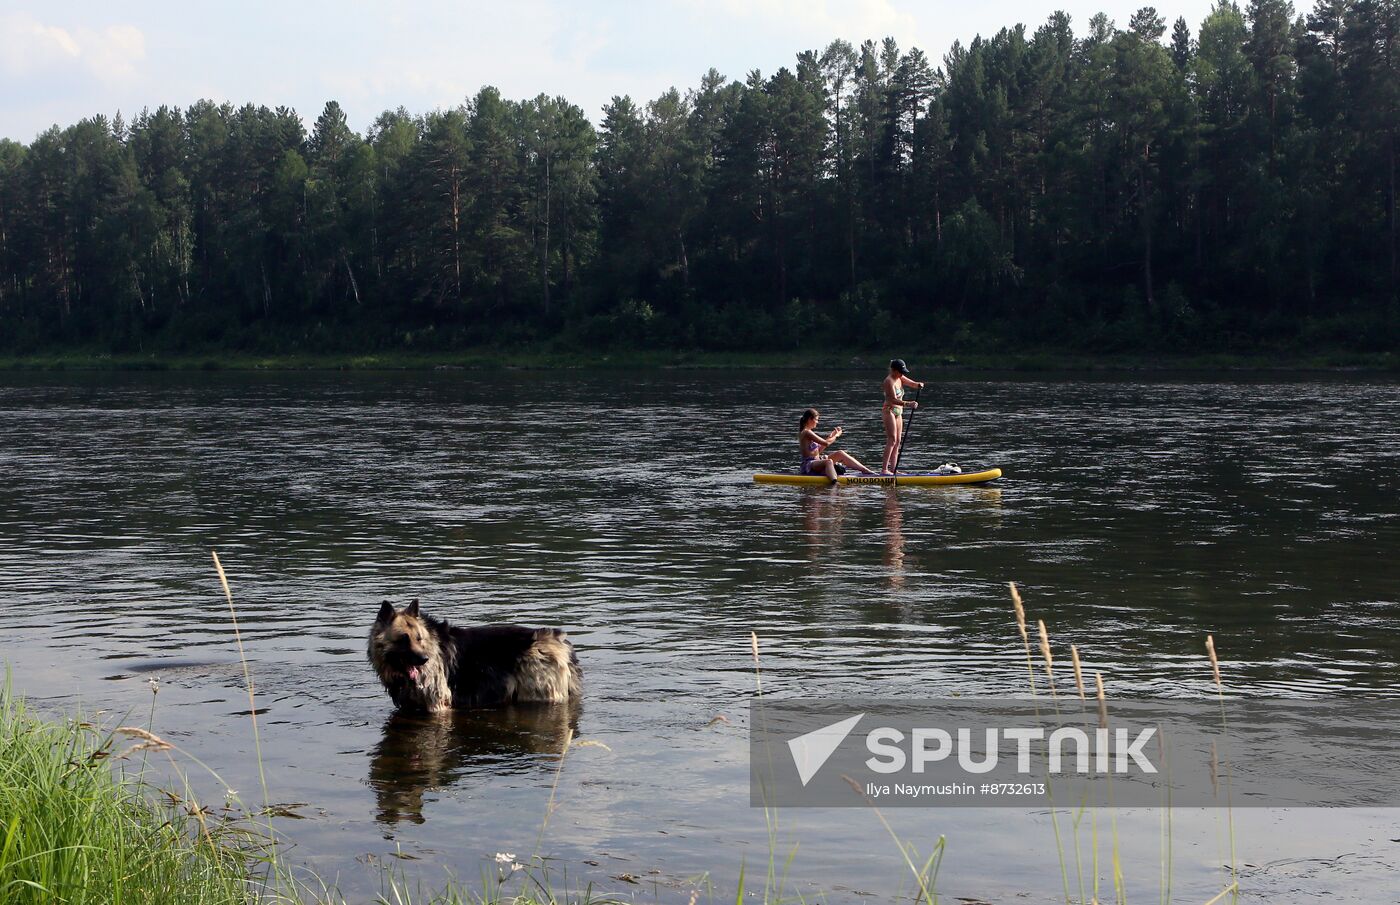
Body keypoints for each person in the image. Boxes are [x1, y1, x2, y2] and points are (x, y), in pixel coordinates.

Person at [797, 408, 876, 481]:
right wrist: (836, 436)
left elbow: (819, 450)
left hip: (817, 462)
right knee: (829, 461)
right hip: (809, 465)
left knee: (840, 453)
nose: (817, 422)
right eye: (816, 420)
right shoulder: (806, 432)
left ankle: (866, 471)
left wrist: (830, 436)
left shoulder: (808, 432)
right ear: (810, 419)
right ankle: (834, 482)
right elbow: (826, 443)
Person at [881, 359, 925, 475]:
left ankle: (893, 470)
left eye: (903, 372)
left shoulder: (900, 377)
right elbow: (892, 400)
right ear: (893, 370)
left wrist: (918, 385)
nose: (902, 374)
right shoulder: (888, 381)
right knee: (892, 439)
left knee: (898, 441)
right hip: (889, 411)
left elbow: (912, 384)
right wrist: (908, 404)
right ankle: (884, 470)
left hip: (898, 412)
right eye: (900, 372)